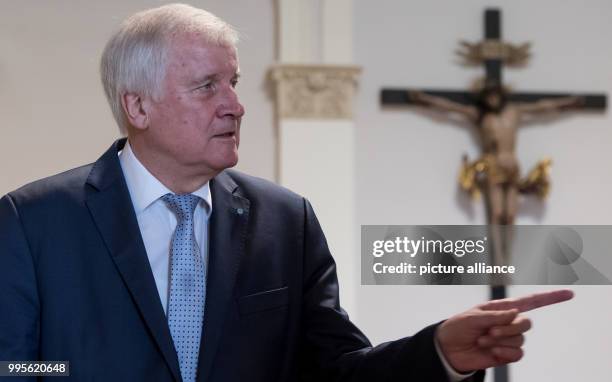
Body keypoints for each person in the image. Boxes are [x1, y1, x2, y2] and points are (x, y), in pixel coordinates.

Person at [0, 4, 573, 382]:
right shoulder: (33, 221)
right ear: (138, 105)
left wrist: (440, 353)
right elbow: (17, 368)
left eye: (234, 82)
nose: (235, 104)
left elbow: (335, 371)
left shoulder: (283, 221)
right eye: (207, 86)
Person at [410, 83, 583, 268]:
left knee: (510, 216)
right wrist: (424, 100)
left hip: (512, 169)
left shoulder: (514, 112)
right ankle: (498, 260)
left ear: (501, 96)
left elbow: (542, 107)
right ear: (483, 99)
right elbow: (450, 108)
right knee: (497, 213)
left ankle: (507, 258)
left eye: (495, 96)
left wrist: (569, 103)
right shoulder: (479, 116)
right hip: (493, 167)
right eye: (488, 97)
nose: (492, 100)